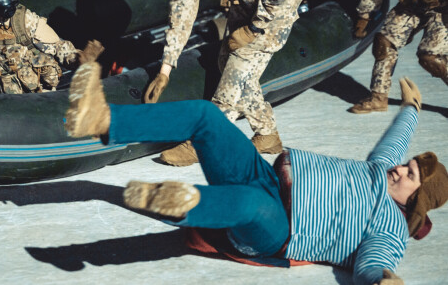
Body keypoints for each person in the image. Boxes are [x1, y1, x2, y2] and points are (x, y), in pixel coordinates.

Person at [64, 50, 448, 285]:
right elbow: (394, 143)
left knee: (250, 204)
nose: (399, 169)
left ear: (417, 199)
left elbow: (373, 263)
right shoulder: (381, 169)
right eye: (407, 165)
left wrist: (383, 280)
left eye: (409, 174)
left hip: (276, 228)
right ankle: (102, 121)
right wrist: (410, 110)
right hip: (266, 178)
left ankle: (179, 204)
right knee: (205, 116)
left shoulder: (392, 229)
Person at [144, 0, 310, 162]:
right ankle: (267, 134)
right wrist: (166, 68)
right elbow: (182, 8)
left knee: (239, 65)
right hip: (247, 0)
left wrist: (255, 29)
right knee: (226, 59)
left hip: (281, 2)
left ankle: (205, 142)